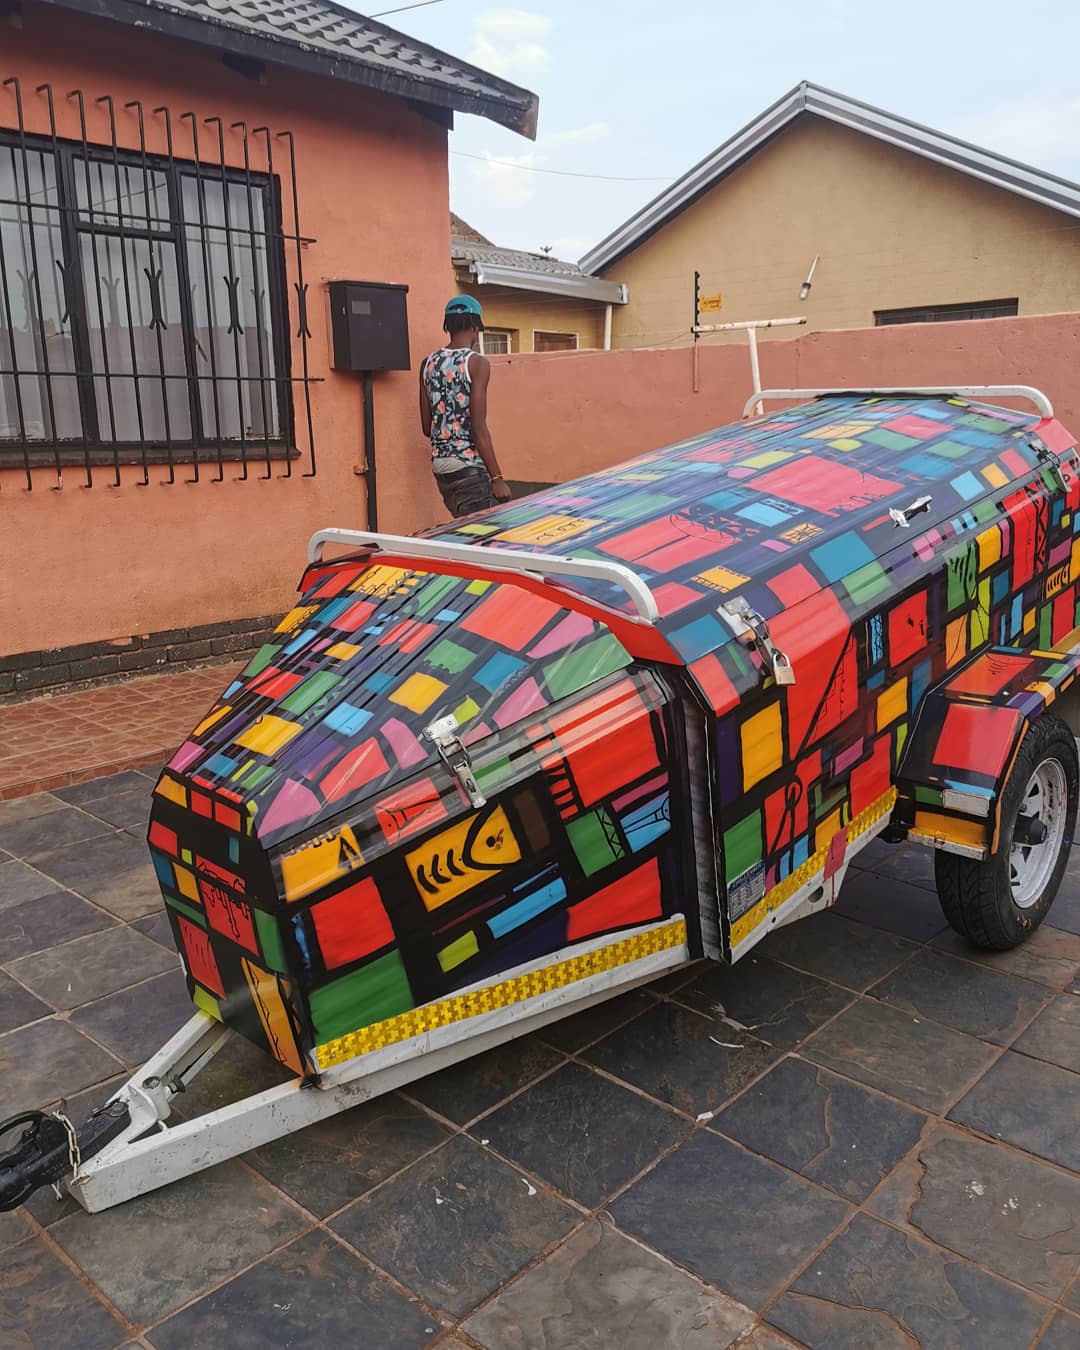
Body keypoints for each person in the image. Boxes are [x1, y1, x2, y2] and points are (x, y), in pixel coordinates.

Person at [420, 295, 512, 517]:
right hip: (468, 467)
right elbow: (478, 428)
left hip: (441, 467)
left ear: (448, 327)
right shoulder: (477, 363)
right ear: (475, 327)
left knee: (465, 529)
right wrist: (497, 479)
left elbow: (426, 427)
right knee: (486, 533)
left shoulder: (428, 363)